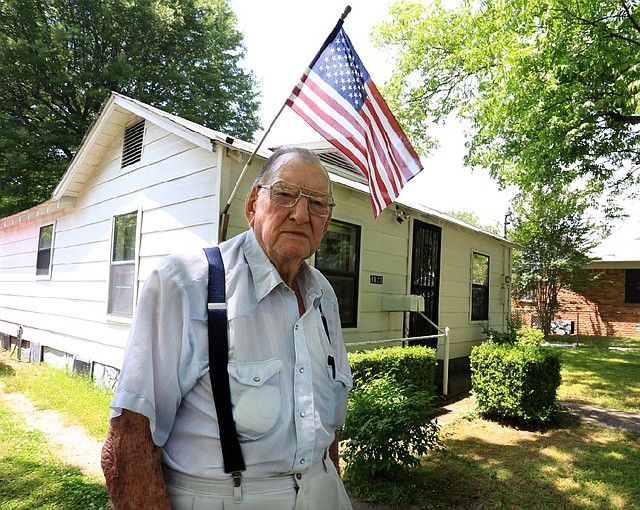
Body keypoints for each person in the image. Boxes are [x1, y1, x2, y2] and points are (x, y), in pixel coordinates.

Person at [101, 146, 353, 510]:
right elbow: (129, 443)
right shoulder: (186, 283)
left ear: (326, 222)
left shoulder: (323, 295)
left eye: (317, 204)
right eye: (284, 194)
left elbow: (325, 430)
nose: (301, 214)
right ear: (253, 204)